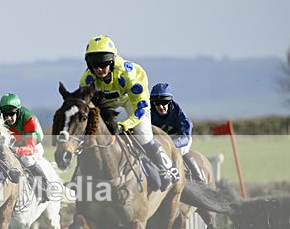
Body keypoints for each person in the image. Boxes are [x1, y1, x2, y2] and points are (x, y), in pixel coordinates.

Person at [79, 35, 180, 188]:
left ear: (112, 61)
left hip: (132, 100)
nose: (99, 69)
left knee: (144, 136)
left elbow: (141, 108)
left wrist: (126, 124)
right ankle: (79, 175)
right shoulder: (87, 79)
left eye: (104, 64)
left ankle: (166, 168)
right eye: (94, 64)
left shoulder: (129, 74)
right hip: (107, 102)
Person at [0, 93, 52, 200]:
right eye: (5, 114)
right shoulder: (2, 119)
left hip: (33, 146)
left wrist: (15, 150)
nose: (8, 118)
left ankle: (46, 188)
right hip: (15, 145)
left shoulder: (29, 120)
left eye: (11, 114)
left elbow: (30, 148)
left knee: (26, 159)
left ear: (18, 111)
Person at [150, 83, 206, 183]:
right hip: (160, 142)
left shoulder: (177, 111)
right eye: (157, 103)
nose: (161, 106)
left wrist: (171, 144)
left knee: (180, 152)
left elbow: (186, 137)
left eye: (164, 102)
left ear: (170, 102)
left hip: (180, 140)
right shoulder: (149, 112)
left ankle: (200, 178)